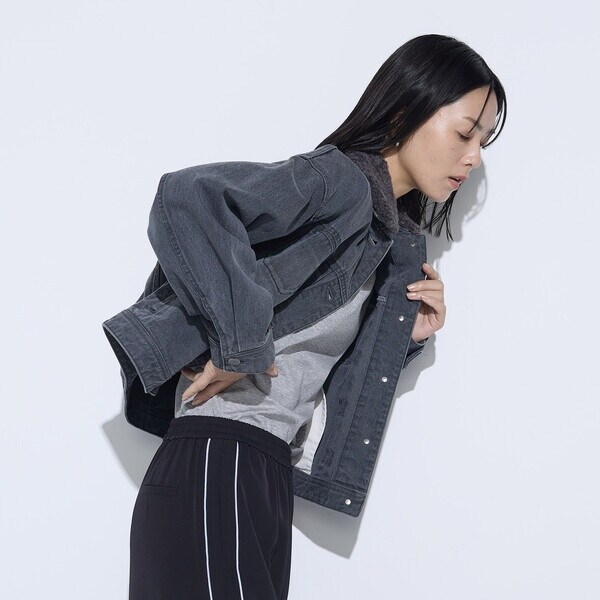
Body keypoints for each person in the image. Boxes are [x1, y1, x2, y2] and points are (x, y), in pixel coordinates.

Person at [103, 33, 507, 600]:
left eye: (483, 141)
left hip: (263, 471)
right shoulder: (339, 182)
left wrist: (403, 338)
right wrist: (240, 344)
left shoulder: (387, 242)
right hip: (220, 456)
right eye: (465, 133)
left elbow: (311, 362)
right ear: (403, 114)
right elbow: (189, 196)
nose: (474, 156)